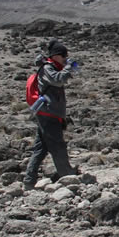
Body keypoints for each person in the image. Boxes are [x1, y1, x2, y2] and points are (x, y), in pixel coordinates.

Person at [24, 40, 79, 189]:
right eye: (63, 55)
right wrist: (68, 68)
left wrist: (66, 68)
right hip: (49, 114)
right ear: (55, 56)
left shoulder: (52, 67)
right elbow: (58, 80)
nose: (66, 58)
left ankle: (29, 180)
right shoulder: (47, 68)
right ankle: (67, 176)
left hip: (49, 113)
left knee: (41, 148)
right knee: (57, 146)